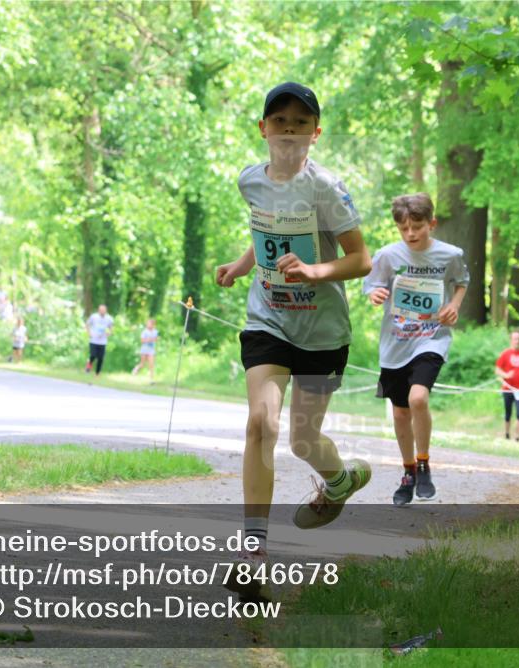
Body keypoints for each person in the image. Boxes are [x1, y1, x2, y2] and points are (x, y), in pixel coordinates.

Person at [215, 82, 373, 594]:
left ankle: (340, 481)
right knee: (261, 423)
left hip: (322, 332)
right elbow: (265, 230)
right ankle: (253, 550)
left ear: (315, 134)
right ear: (263, 129)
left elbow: (360, 259)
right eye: (279, 120)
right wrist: (242, 266)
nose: (288, 130)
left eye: (300, 122)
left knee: (305, 440)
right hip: (268, 320)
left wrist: (314, 270)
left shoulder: (327, 188)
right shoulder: (249, 181)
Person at [363, 193, 468, 506]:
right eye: (404, 228)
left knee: (418, 397)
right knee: (399, 412)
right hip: (396, 341)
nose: (411, 233)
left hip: (432, 337)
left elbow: (462, 281)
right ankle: (407, 472)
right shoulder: (388, 255)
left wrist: (454, 305)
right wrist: (375, 294)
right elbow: (371, 283)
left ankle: (423, 464)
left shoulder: (450, 254)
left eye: (418, 227)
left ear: (431, 224)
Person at [495, 330, 519, 441]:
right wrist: (506, 375)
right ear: (511, 340)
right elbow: (497, 370)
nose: (517, 341)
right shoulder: (505, 354)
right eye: (515, 338)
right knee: (508, 413)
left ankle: (517, 437)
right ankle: (507, 434)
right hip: (507, 388)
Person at [85, 304, 114, 376]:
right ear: (98, 310)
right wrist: (89, 333)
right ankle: (89, 363)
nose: (102, 311)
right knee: (93, 355)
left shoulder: (109, 318)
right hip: (93, 340)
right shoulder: (94, 317)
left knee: (101, 358)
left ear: (106, 311)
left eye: (104, 310)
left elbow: (111, 327)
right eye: (101, 310)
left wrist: (109, 333)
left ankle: (97, 373)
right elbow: (87, 324)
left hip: (103, 341)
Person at [131, 318, 159, 383]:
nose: (148, 325)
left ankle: (151, 379)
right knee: (142, 363)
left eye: (149, 324)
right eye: (147, 324)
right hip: (144, 349)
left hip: (151, 350)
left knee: (151, 364)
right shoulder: (145, 331)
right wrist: (149, 340)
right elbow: (142, 340)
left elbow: (156, 339)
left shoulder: (155, 331)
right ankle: (135, 369)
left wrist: (152, 339)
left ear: (153, 325)